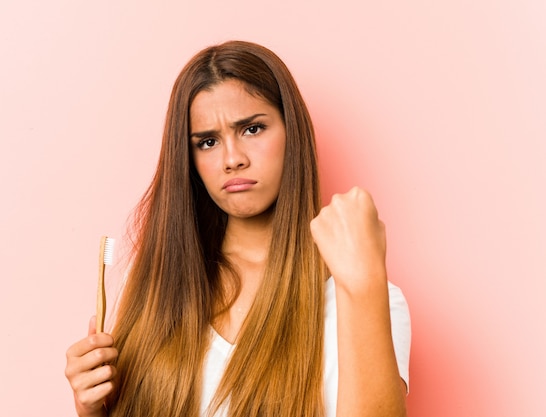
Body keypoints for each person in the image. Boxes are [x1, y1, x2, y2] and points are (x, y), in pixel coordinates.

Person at [65, 40, 411, 417]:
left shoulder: (366, 298)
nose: (232, 159)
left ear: (292, 132)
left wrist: (362, 283)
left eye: (252, 129)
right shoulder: (154, 287)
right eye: (208, 142)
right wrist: (91, 410)